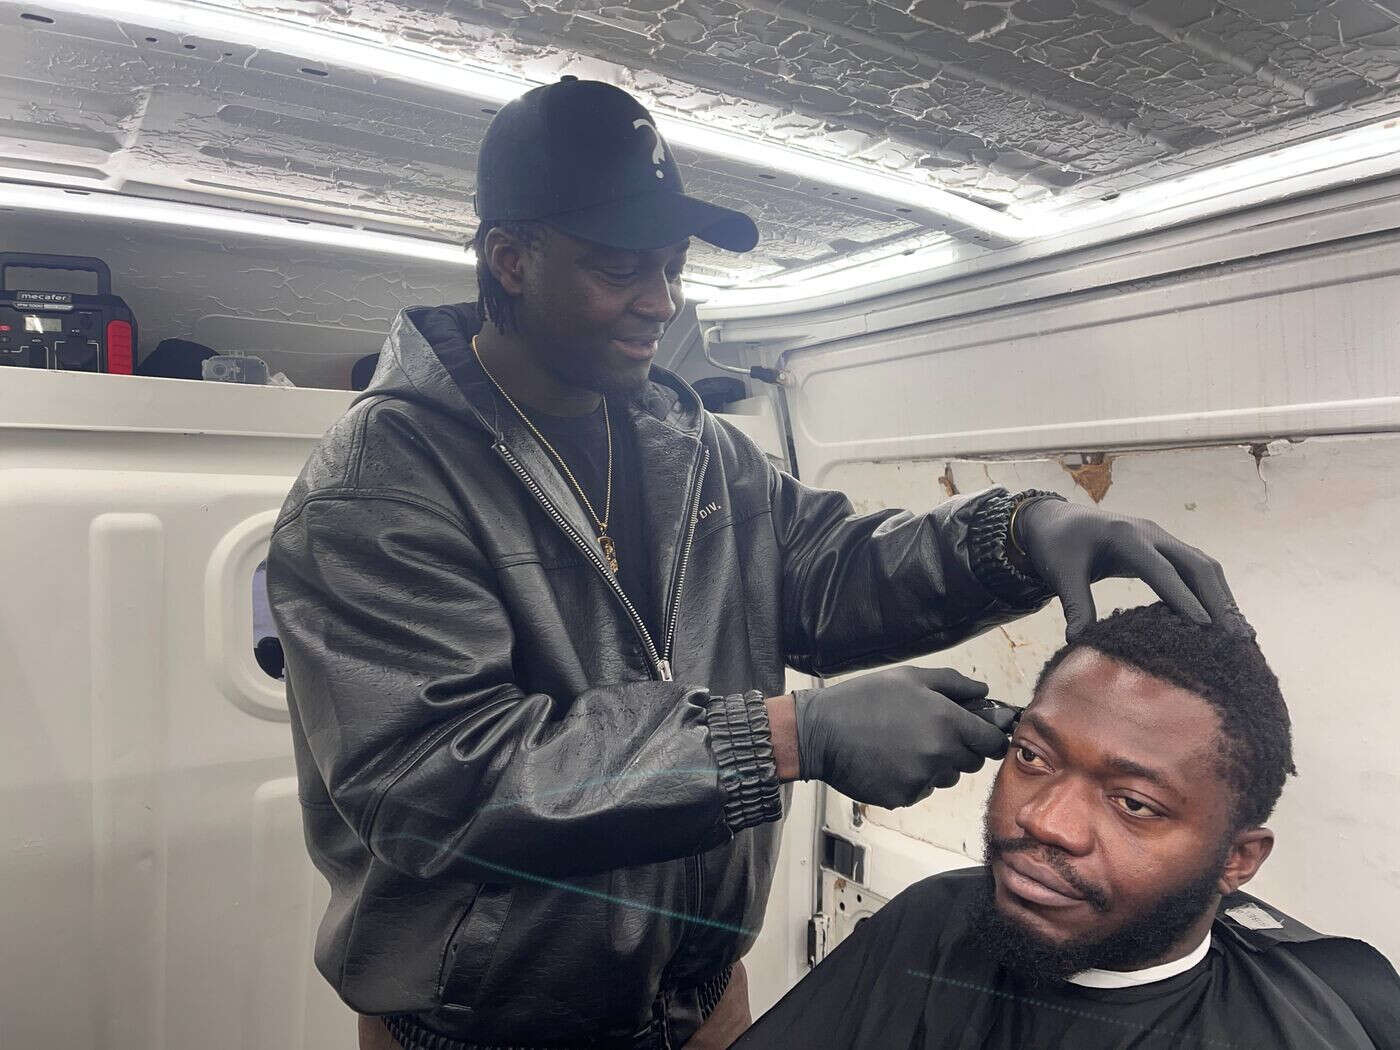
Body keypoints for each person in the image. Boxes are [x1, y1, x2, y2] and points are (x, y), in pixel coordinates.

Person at [265, 77, 1248, 1050]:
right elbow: (439, 783)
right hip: (489, 1031)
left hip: (699, 1001)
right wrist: (784, 736)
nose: (660, 304)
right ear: (510, 259)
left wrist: (1014, 537)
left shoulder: (694, 449)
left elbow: (833, 575)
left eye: (672, 266)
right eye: (619, 269)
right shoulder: (382, 478)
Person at [731, 604, 1400, 1050]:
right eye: (1032, 756)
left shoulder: (1306, 1032)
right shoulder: (931, 919)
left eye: (1133, 803)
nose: (1041, 820)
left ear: (1239, 859)